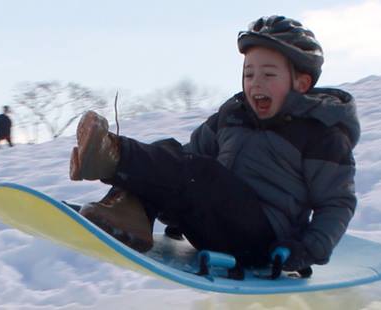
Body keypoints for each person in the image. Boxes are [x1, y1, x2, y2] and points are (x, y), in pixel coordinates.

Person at [68, 16, 359, 276]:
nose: (255, 83)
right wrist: (171, 202)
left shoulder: (320, 134)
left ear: (302, 83)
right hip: (213, 224)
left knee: (199, 172)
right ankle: (126, 215)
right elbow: (181, 160)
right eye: (248, 74)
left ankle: (111, 155)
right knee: (170, 152)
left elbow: (336, 202)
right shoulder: (232, 116)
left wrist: (309, 249)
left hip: (262, 239)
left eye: (268, 74)